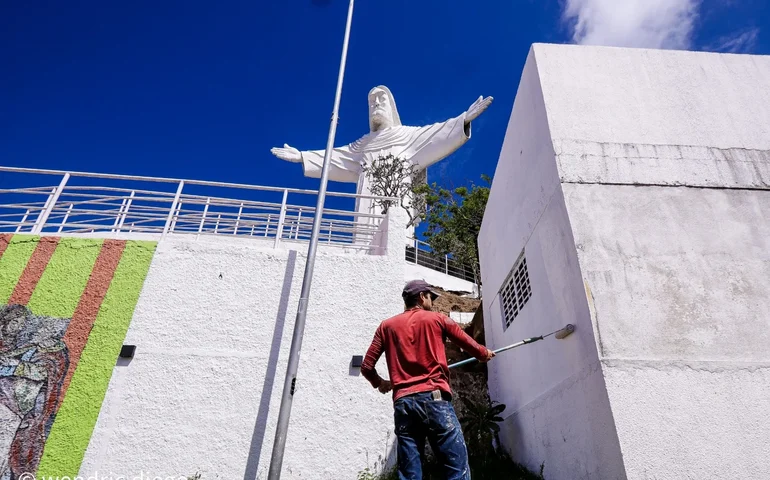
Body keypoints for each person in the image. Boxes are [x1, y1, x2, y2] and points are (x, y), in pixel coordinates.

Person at [360, 280, 495, 480]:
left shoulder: (386, 326)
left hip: (403, 404)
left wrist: (381, 383)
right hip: (435, 400)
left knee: (409, 473)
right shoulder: (439, 320)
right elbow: (470, 346)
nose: (432, 302)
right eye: (431, 297)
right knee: (456, 467)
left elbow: (366, 367)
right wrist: (484, 353)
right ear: (422, 297)